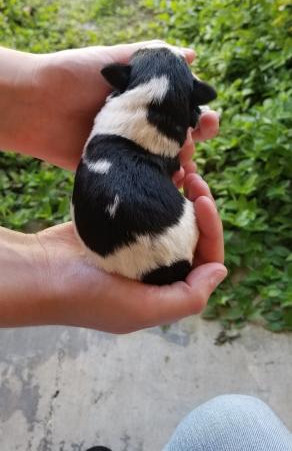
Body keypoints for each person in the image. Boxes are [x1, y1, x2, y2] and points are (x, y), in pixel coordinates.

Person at [2, 42, 291, 450]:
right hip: (145, 245)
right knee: (233, 421)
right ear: (187, 110)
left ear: (119, 88)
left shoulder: (107, 119)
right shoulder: (159, 139)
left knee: (232, 420)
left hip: (119, 238)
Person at [0, 40, 227, 331]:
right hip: (128, 249)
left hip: (127, 240)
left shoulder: (108, 117)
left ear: (120, 85)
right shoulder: (164, 143)